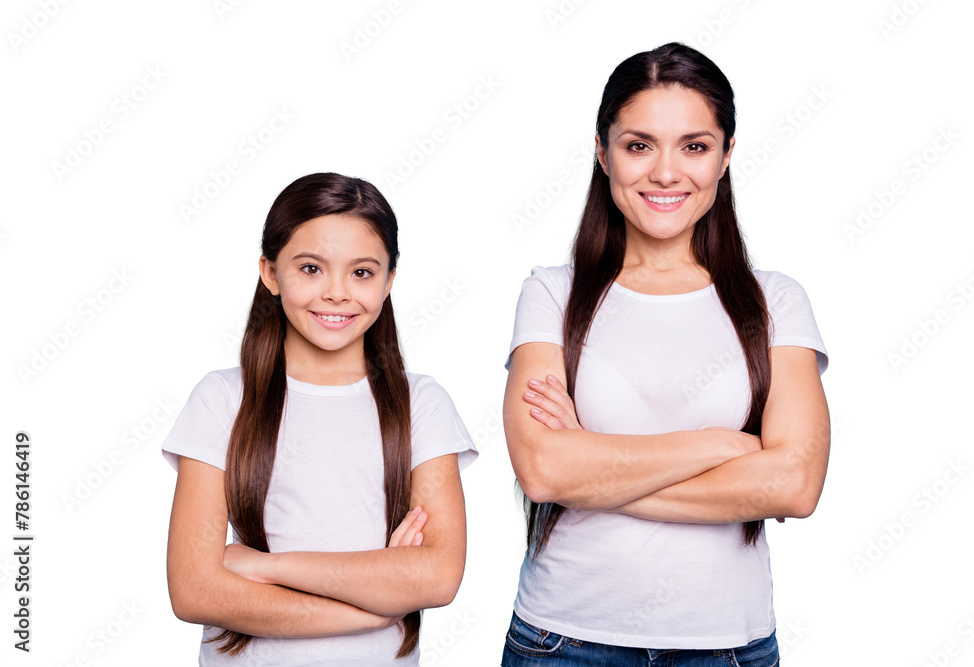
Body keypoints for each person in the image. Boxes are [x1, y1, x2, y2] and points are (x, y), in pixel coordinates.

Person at [501, 42, 829, 666]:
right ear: (603, 152)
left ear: (726, 156)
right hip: (563, 642)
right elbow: (543, 472)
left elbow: (794, 484)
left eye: (695, 146)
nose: (666, 172)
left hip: (727, 648)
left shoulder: (777, 303)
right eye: (639, 145)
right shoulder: (551, 294)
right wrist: (721, 447)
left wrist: (591, 476)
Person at [162, 172, 477, 666]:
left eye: (362, 272)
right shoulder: (222, 399)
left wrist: (267, 568)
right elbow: (195, 591)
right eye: (311, 268)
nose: (336, 293)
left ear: (390, 280)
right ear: (270, 273)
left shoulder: (423, 404)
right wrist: (376, 605)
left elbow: (437, 577)